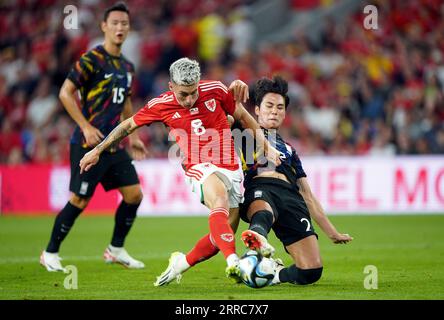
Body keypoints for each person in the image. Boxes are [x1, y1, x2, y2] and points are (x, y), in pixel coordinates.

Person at [79, 58, 282, 283]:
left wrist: (267, 147)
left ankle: (181, 263)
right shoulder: (160, 105)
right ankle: (234, 262)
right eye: (183, 94)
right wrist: (96, 150)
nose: (189, 99)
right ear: (171, 87)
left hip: (230, 166)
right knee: (220, 200)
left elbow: (243, 117)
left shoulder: (215, 90)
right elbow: (127, 125)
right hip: (198, 166)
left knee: (220, 238)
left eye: (193, 92)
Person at [40, 2, 148, 272]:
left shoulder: (127, 66)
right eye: (115, 23)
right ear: (104, 26)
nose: (120, 28)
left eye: (124, 23)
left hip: (113, 144)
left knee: (134, 195)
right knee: (79, 200)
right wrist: (86, 126)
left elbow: (125, 103)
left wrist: (132, 136)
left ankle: (116, 249)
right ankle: (49, 252)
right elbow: (65, 92)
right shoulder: (91, 60)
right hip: (88, 144)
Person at [238, 76, 353, 285]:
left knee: (311, 271)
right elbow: (223, 113)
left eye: (280, 107)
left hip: (292, 198)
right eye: (269, 105)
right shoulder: (243, 132)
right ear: (256, 110)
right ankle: (256, 245)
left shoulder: (290, 150)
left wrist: (331, 231)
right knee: (263, 212)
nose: (275, 111)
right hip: (261, 188)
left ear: (285, 113)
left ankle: (272, 273)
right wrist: (233, 92)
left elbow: (307, 195)